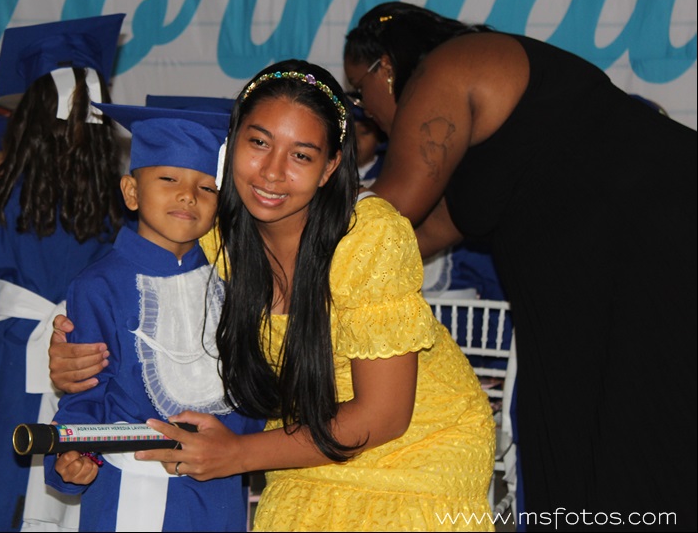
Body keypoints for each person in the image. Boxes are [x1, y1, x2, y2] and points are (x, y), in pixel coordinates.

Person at [50, 60, 496, 531]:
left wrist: (238, 453)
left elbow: (384, 416)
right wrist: (76, 354)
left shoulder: (366, 236)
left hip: (418, 453)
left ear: (329, 167)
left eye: (301, 155)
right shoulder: (214, 234)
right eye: (259, 143)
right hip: (303, 448)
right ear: (232, 143)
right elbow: (134, 291)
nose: (271, 173)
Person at [342, 1, 697, 528]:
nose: (364, 109)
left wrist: (288, 226)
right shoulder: (480, 146)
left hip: (658, 249)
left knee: (647, 429)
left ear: (386, 67)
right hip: (601, 295)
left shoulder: (447, 67)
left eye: (358, 91)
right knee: (592, 440)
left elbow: (387, 213)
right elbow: (409, 240)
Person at [0, 14, 126, 532]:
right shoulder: (119, 213)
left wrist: (16, 308)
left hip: (6, 358)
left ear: (29, 125)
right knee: (77, 482)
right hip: (88, 358)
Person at [45, 103, 264, 531]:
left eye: (207, 187)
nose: (188, 195)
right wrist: (75, 454)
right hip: (132, 486)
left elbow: (252, 388)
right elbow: (85, 392)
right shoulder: (98, 286)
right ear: (131, 191)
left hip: (217, 489)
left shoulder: (234, 280)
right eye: (168, 179)